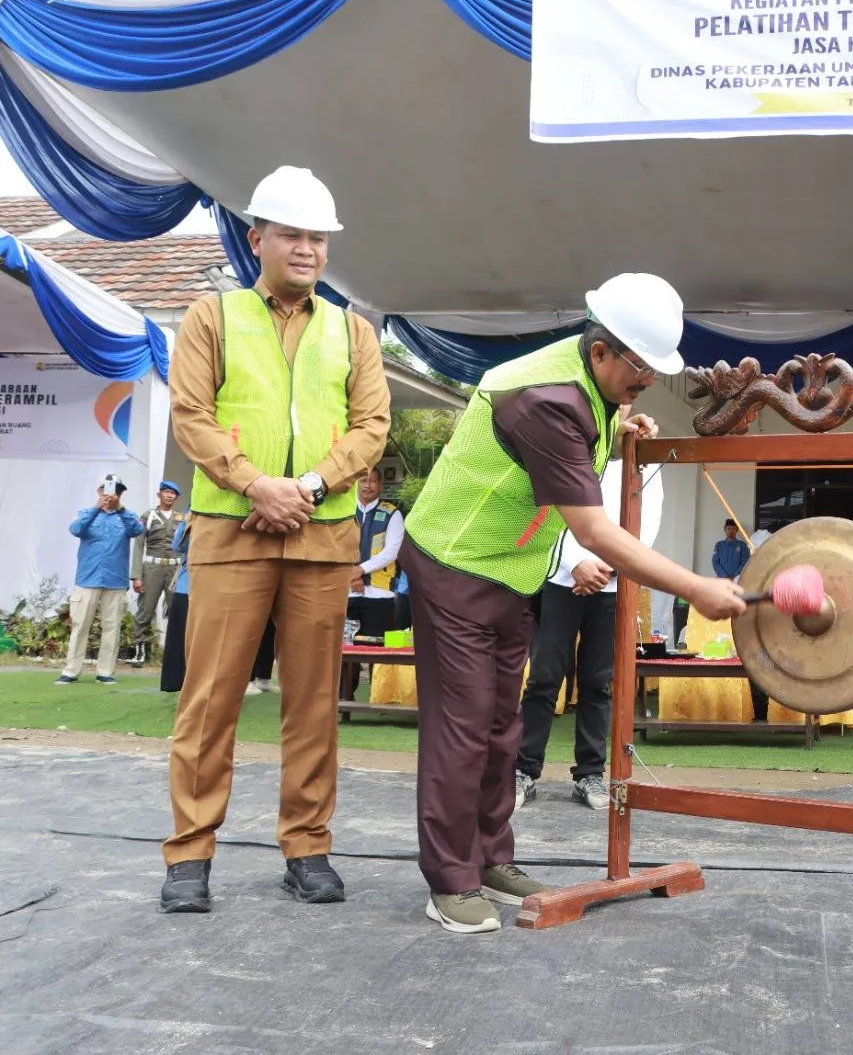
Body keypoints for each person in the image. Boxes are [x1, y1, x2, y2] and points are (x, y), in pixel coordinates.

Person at [400, 272, 747, 935]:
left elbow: (579, 438)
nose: (647, 382)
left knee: (504, 726)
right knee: (464, 727)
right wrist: (696, 587)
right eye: (640, 370)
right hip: (455, 567)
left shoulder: (585, 387)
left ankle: (490, 858)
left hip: (510, 575)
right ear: (600, 352)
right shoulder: (548, 400)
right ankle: (449, 882)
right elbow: (594, 530)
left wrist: (617, 425)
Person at [160, 166, 391, 915]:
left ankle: (308, 848)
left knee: (314, 702)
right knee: (210, 700)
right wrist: (258, 485)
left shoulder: (353, 330)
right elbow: (190, 415)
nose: (307, 248)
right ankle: (190, 857)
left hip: (321, 538)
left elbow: (371, 428)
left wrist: (312, 488)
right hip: (231, 531)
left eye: (318, 237)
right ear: (255, 238)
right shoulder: (211, 316)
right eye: (291, 234)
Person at [514, 460, 661, 812]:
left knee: (598, 681)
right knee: (544, 676)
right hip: (560, 580)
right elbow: (547, 514)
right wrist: (575, 564)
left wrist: (612, 566)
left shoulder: (647, 462)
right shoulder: (573, 447)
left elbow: (647, 520)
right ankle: (523, 769)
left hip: (613, 585)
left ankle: (590, 772)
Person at [56, 475, 144, 685]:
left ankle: (105, 671)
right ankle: (71, 670)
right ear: (99, 491)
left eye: (118, 491)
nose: (113, 494)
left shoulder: (127, 516)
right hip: (87, 579)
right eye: (108, 489)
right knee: (80, 626)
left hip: (115, 580)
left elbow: (138, 530)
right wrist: (97, 506)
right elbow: (75, 529)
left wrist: (120, 508)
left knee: (112, 627)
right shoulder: (87, 513)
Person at [130, 480, 184, 666]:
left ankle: (174, 654)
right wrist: (137, 575)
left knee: (177, 610)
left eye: (173, 493)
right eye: (166, 492)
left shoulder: (182, 518)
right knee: (145, 610)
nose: (170, 495)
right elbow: (138, 546)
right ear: (159, 494)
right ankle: (139, 652)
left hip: (175, 569)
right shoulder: (148, 516)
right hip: (152, 568)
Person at [349, 466, 404, 639]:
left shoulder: (391, 513)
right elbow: (333, 545)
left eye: (372, 480)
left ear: (380, 485)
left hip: (380, 594)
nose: (367, 485)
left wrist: (361, 569)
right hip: (346, 593)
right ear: (356, 484)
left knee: (378, 654)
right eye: (363, 480)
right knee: (343, 655)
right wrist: (352, 574)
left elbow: (392, 551)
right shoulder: (345, 511)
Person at [160, 517, 192, 694]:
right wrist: (188, 522)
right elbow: (178, 546)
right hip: (186, 586)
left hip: (214, 587)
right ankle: (174, 683)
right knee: (179, 637)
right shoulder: (190, 516)